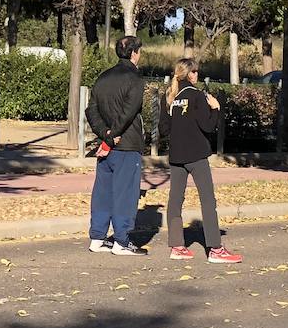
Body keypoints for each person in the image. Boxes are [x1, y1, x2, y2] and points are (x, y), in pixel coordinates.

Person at [159, 58, 242, 264]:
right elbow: (207, 126)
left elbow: (163, 130)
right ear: (190, 74)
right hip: (196, 156)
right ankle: (215, 248)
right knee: (207, 200)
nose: (197, 74)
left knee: (175, 201)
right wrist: (215, 109)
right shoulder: (197, 96)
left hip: (176, 156)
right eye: (195, 71)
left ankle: (177, 246)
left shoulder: (169, 97)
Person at [86, 35, 148, 255]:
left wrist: (105, 134)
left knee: (102, 192)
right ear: (133, 53)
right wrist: (114, 135)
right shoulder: (135, 78)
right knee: (125, 193)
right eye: (139, 51)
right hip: (126, 144)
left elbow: (91, 110)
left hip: (106, 145)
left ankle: (98, 237)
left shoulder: (103, 78)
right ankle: (122, 240)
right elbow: (129, 112)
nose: (140, 55)